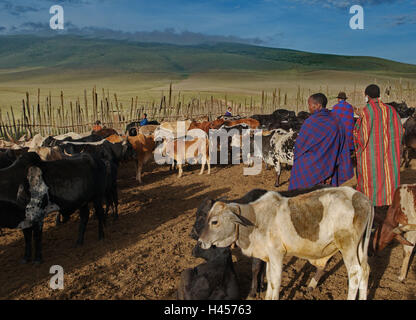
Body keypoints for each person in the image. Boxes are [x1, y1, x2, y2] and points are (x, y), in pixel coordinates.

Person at [288, 93, 353, 190]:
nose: (309, 107)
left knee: (299, 171)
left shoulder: (310, 122)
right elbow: (342, 145)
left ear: (318, 105)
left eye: (310, 105)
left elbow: (299, 147)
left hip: (311, 166)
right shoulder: (336, 120)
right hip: (330, 164)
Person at [353, 84, 403, 206]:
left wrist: (355, 139)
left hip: (372, 155)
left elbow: (361, 137)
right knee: (389, 177)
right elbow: (400, 131)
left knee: (372, 179)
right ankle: (390, 203)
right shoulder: (391, 110)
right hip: (390, 154)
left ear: (367, 96)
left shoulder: (366, 112)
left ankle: (373, 205)